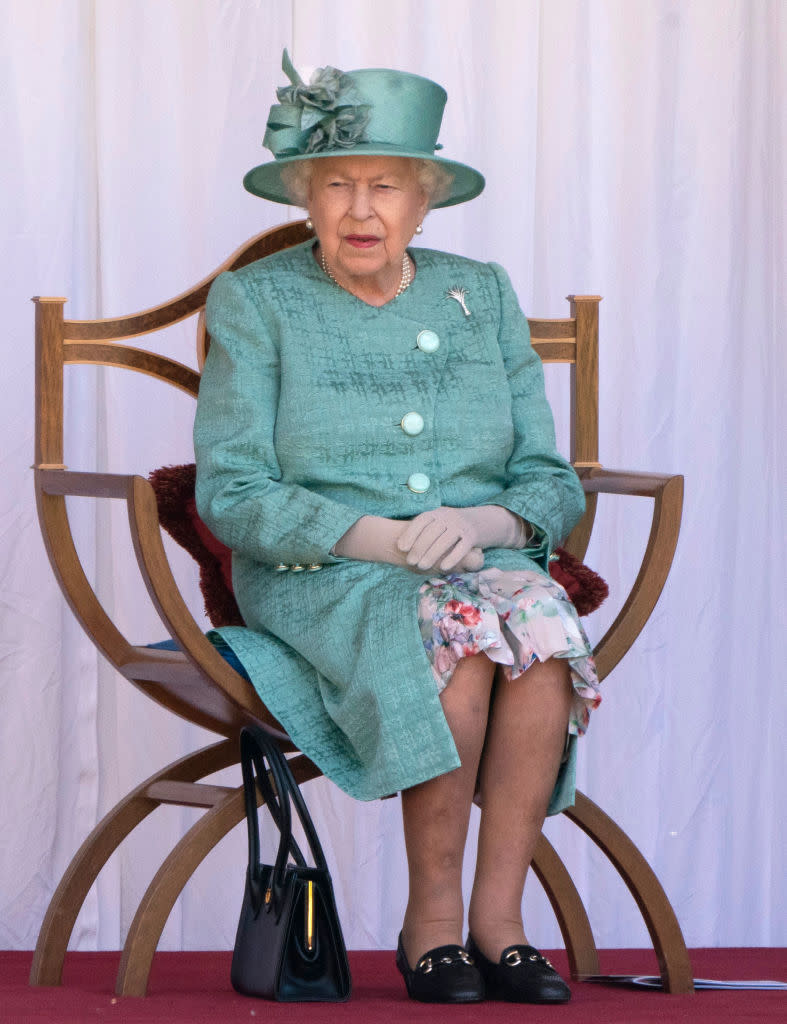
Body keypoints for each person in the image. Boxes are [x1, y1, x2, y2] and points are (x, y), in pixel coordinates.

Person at [194, 50, 601, 1004]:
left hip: (476, 554)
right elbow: (232, 492)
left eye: (385, 186)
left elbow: (548, 477)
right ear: (306, 197)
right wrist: (377, 538)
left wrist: (482, 518)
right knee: (456, 637)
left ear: (425, 202)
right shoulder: (257, 301)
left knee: (536, 628)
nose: (361, 210)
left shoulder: (481, 293)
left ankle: (498, 924)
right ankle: (430, 927)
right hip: (320, 571)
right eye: (336, 184)